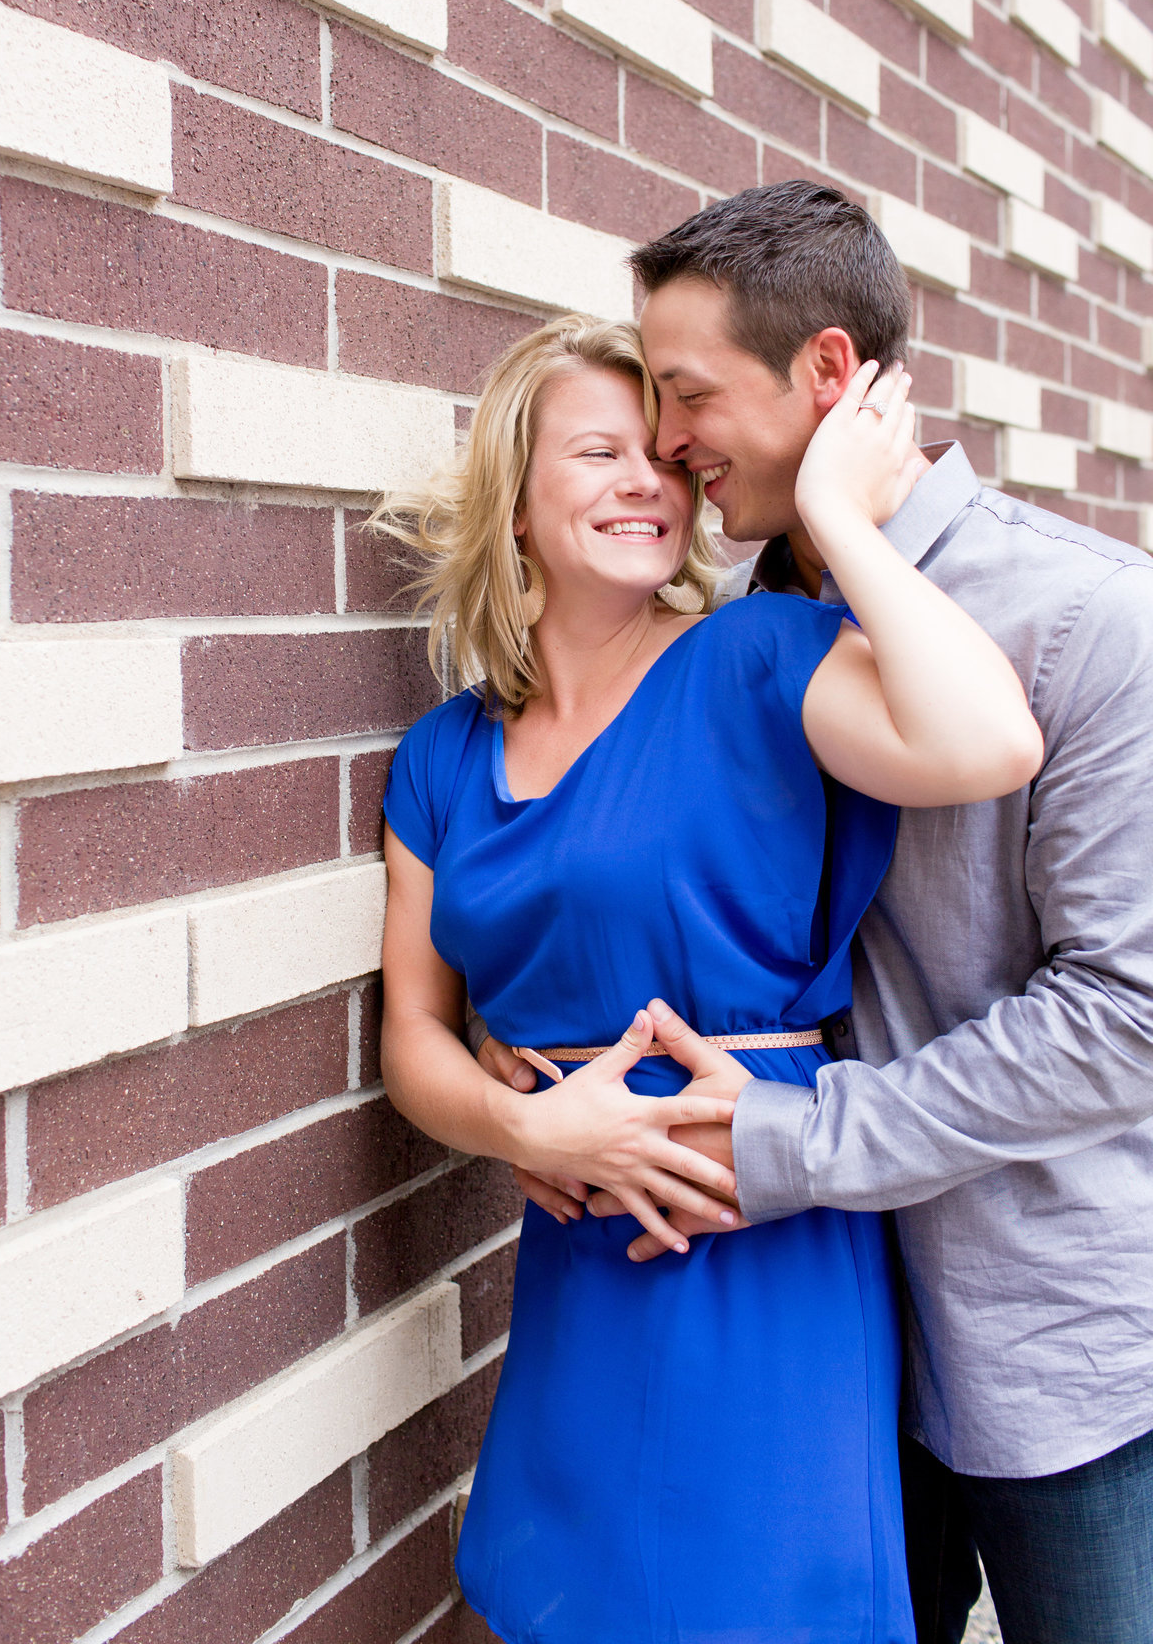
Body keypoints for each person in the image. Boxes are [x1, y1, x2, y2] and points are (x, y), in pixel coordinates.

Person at [482, 182, 1153, 1644]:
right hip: (809, 1334)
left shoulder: (1094, 623)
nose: (664, 443)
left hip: (1049, 1355)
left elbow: (1129, 1022)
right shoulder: (739, 638)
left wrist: (795, 1141)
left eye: (688, 395)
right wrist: (532, 1085)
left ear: (830, 378)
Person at [376, 309, 1041, 1644]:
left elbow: (988, 741)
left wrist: (839, 525)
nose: (648, 479)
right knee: (559, 1599)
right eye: (598, 452)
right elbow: (414, 1035)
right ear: (514, 501)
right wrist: (520, 1121)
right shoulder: (444, 757)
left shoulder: (752, 658)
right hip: (580, 1259)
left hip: (759, 1232)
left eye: (665, 458)